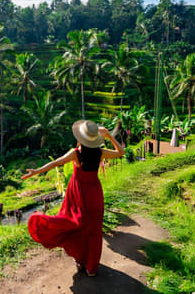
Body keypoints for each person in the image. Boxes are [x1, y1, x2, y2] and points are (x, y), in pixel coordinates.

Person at [21, 119, 125, 277]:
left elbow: (55, 163)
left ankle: (81, 260)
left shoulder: (76, 154)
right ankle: (92, 268)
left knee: (77, 226)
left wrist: (35, 172)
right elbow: (121, 152)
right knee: (94, 231)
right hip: (95, 194)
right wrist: (109, 136)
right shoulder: (100, 153)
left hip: (79, 194)